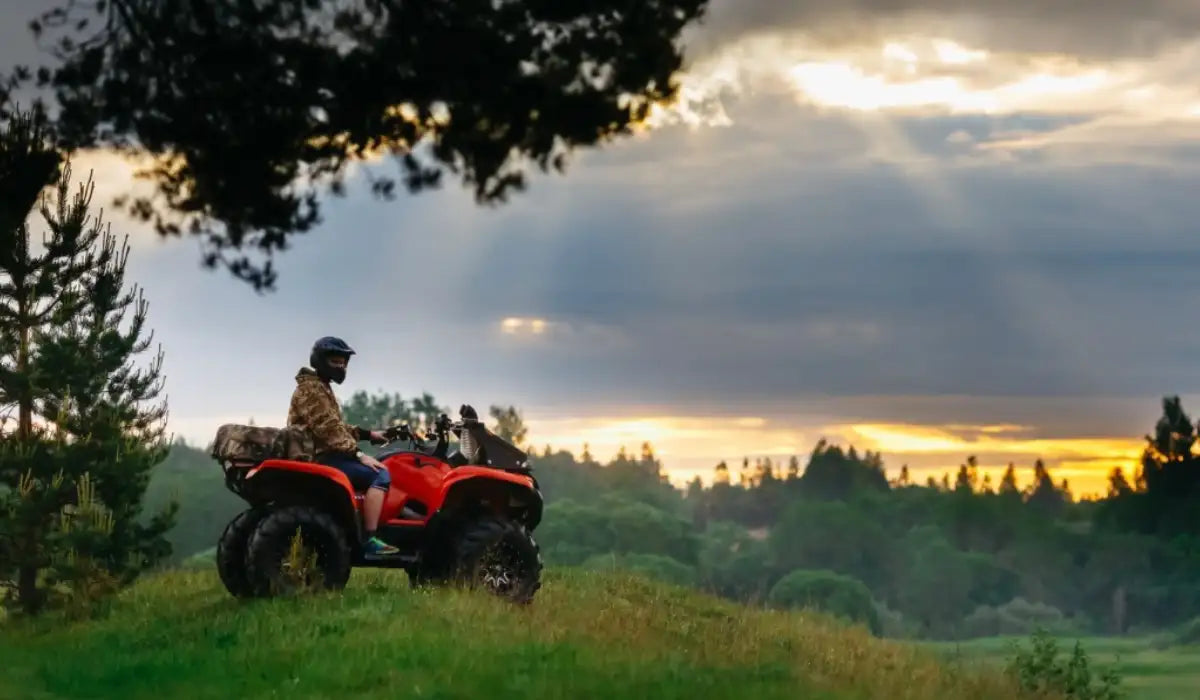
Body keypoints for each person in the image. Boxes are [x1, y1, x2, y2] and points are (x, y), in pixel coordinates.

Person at [287, 336, 398, 556]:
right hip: (319, 457)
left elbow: (336, 426)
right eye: (336, 361)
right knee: (381, 475)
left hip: (322, 453)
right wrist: (358, 454)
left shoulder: (319, 387)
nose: (341, 366)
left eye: (344, 362)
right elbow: (328, 429)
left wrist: (368, 434)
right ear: (320, 360)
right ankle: (369, 538)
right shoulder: (312, 390)